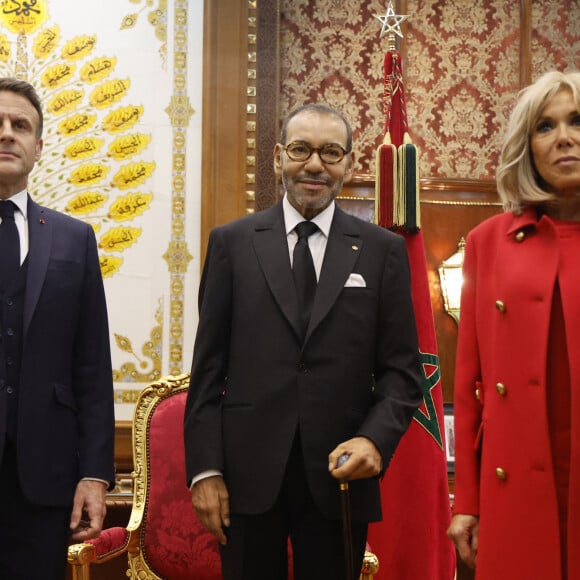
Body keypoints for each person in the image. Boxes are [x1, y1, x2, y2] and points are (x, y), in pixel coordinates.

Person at [184, 103, 423, 579]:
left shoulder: (383, 251)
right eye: (301, 149)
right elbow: (208, 371)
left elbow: (402, 373)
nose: (314, 164)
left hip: (340, 479)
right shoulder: (232, 243)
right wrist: (205, 471)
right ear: (278, 157)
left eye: (331, 152)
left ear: (350, 164)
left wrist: (375, 439)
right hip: (246, 484)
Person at [447, 70, 580, 579]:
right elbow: (470, 380)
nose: (564, 136)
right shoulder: (487, 242)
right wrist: (467, 501)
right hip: (517, 480)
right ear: (528, 146)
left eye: (575, 121)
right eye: (545, 126)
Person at [0, 78, 115, 579]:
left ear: (39, 146)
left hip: (43, 482)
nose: (6, 134)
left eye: (19, 125)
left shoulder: (75, 239)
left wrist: (94, 474)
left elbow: (91, 366)